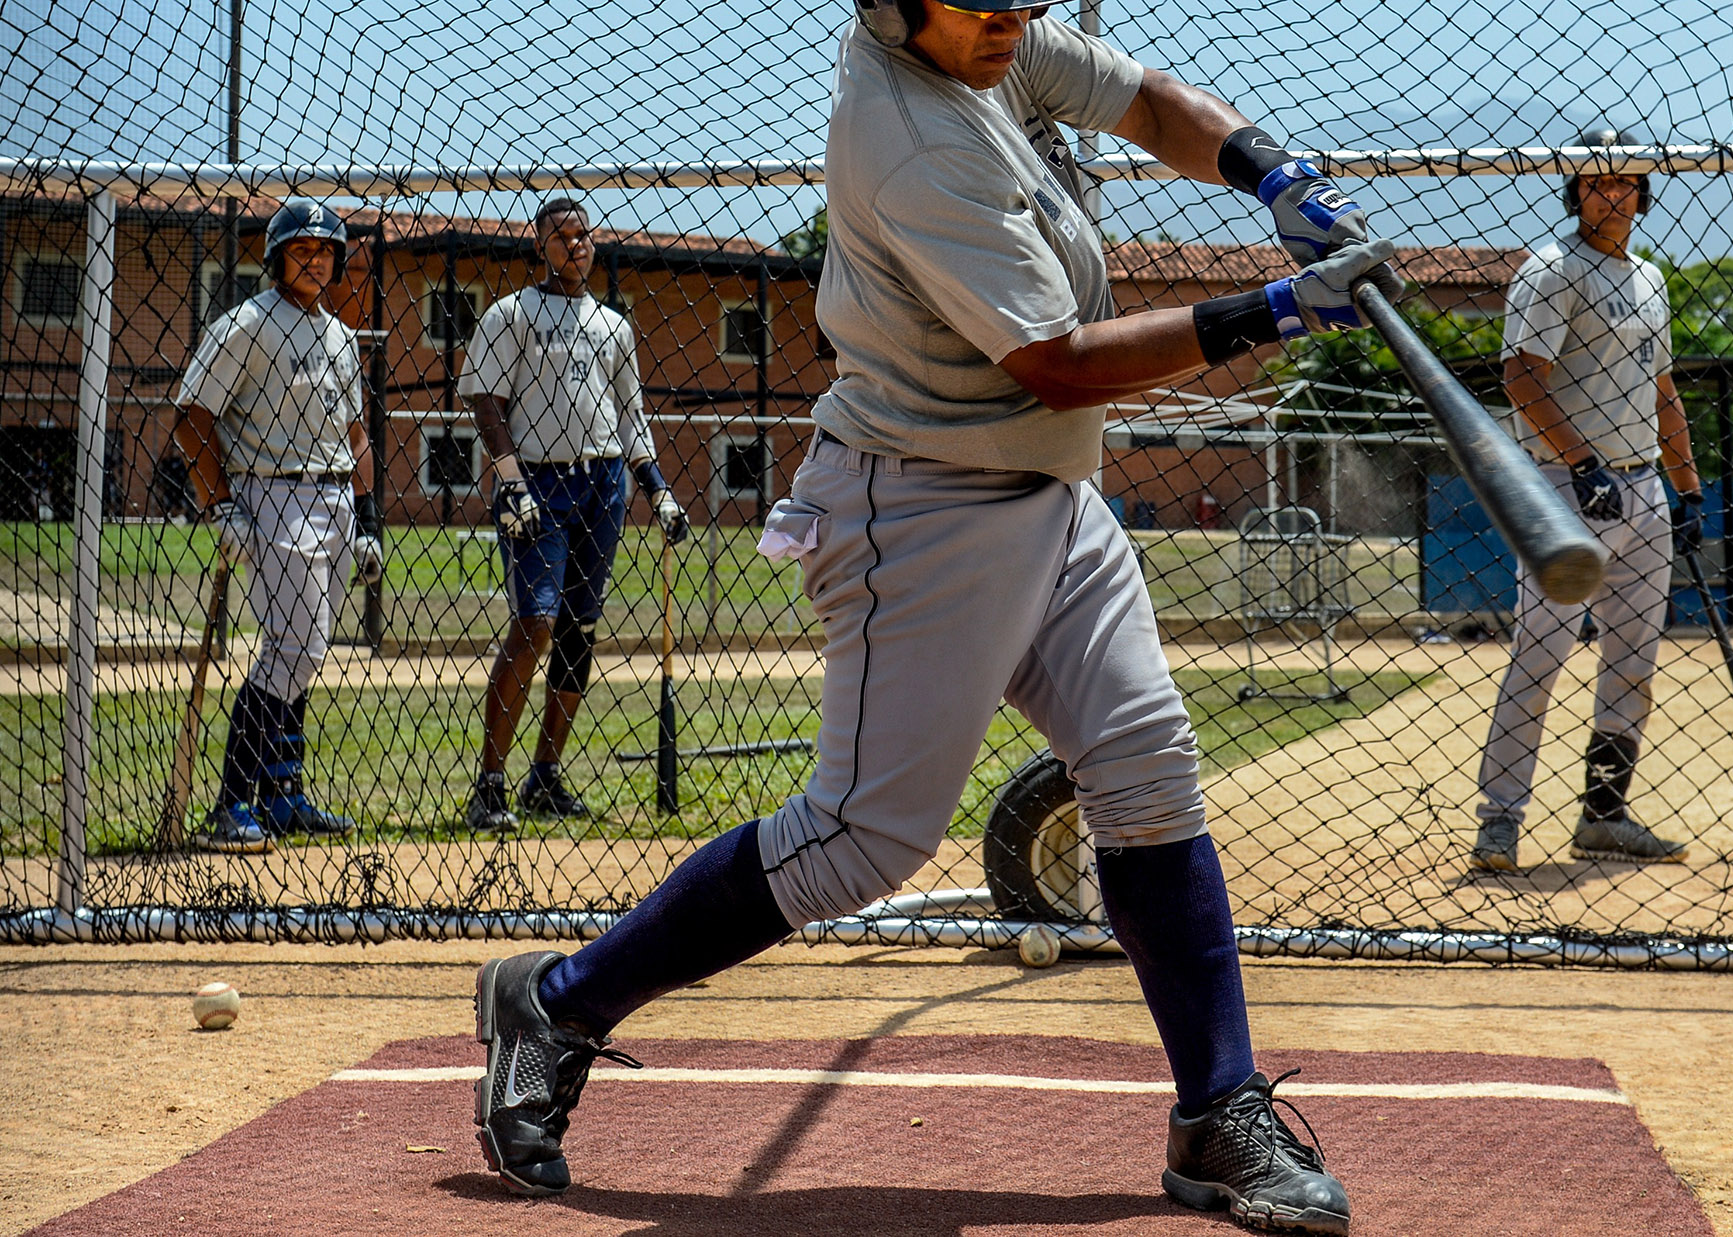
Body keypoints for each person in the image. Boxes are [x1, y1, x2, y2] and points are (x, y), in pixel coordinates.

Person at [470, 5, 1403, 1232]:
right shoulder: (907, 131)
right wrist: (1272, 310)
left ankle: (1215, 1111)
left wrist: (1270, 169)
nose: (1011, 19)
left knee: (1146, 773)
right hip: (922, 502)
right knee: (862, 840)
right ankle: (563, 999)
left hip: (1051, 494)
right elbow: (1056, 358)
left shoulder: (986, 36)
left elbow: (1149, 101)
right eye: (981, 2)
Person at [1468, 127, 1701, 872]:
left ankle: (1604, 814)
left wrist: (1688, 486)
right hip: (1570, 489)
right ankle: (1499, 818)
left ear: (1642, 193)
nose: (1612, 192)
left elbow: (1664, 391)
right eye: (1597, 182)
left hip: (1642, 488)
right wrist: (1583, 460)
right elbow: (1520, 375)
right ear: (1575, 193)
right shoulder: (1552, 269)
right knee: (1541, 653)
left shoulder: (1652, 279)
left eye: (1625, 181)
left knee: (1633, 661)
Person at [456, 198, 690, 831]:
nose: (575, 244)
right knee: (534, 623)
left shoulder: (614, 325)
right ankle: (491, 783)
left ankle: (545, 776)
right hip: (537, 480)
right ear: (540, 248)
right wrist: (511, 483)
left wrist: (658, 489)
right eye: (560, 236)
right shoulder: (513, 314)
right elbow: (486, 402)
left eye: (583, 234)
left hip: (604, 482)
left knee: (579, 632)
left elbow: (629, 417)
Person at [173, 200, 381, 853]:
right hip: (274, 494)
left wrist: (368, 516)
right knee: (295, 651)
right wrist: (221, 504)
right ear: (277, 255)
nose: (315, 258)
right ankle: (231, 803)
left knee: (300, 657)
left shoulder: (342, 336)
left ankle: (283, 795)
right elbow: (192, 416)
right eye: (303, 248)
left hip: (334, 499)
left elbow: (355, 434)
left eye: (326, 249)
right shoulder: (247, 323)